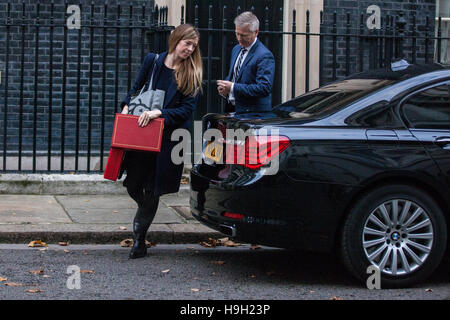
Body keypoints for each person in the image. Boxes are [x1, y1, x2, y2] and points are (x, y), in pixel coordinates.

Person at [120, 24, 203, 259]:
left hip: (169, 138)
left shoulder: (192, 71)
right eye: (187, 43)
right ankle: (144, 210)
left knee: (153, 188)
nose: (190, 49)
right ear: (176, 40)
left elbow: (187, 110)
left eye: (194, 46)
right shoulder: (153, 61)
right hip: (143, 132)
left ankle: (139, 240)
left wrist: (161, 113)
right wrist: (127, 106)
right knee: (133, 184)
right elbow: (136, 88)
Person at [217, 11, 275, 114]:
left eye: (244, 35)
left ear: (256, 32)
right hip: (232, 110)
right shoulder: (236, 49)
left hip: (253, 115)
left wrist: (233, 87)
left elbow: (264, 88)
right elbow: (236, 76)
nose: (239, 39)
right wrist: (225, 88)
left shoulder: (264, 55)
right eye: (237, 34)